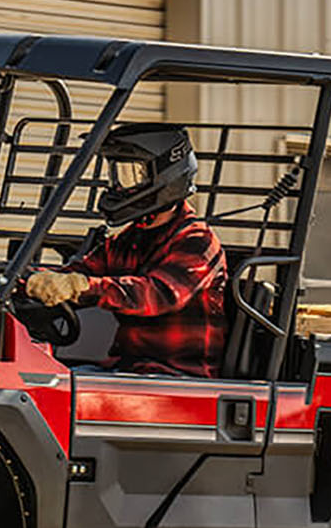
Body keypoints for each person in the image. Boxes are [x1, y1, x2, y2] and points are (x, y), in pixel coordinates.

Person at [20, 124, 229, 377]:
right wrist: (17, 278)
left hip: (176, 378)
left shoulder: (197, 242)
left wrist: (82, 285)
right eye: (116, 175)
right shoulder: (130, 239)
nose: (119, 186)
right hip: (127, 371)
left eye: (132, 175)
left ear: (165, 175)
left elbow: (154, 295)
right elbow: (77, 273)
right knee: (40, 379)